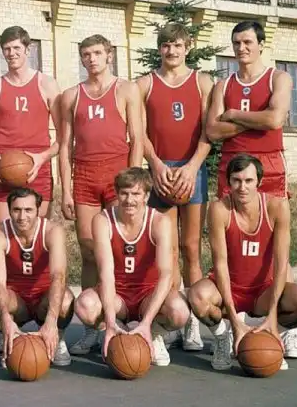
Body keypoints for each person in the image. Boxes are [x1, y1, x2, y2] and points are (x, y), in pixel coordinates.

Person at [205, 20, 297, 359]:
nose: (241, 48)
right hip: (232, 167)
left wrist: (233, 115)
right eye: (236, 42)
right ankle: (236, 319)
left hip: (270, 164)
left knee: (276, 243)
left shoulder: (279, 78)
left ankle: (285, 328)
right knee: (231, 239)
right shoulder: (223, 85)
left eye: (247, 42)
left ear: (261, 44)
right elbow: (212, 131)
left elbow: (275, 120)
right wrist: (254, 119)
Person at [187, 154, 297, 371]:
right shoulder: (220, 209)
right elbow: (220, 265)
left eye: (248, 181)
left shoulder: (277, 207)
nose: (242, 187)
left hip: (263, 292)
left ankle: (273, 333)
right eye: (236, 180)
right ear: (228, 182)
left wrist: (272, 317)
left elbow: (281, 264)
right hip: (229, 289)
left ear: (259, 181)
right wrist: (234, 322)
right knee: (197, 296)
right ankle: (223, 338)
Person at [59, 34, 143, 354]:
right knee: (89, 250)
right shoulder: (72, 96)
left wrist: (133, 184)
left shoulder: (126, 89)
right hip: (84, 176)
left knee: (120, 249)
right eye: (86, 54)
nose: (91, 59)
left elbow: (137, 138)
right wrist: (65, 191)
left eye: (97, 53)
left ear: (109, 55)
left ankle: (124, 317)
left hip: (117, 176)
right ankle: (93, 326)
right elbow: (65, 147)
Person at [136, 23, 213, 351]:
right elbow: (140, 134)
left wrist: (193, 167)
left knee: (191, 247)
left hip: (193, 169)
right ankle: (171, 316)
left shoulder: (202, 82)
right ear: (160, 48)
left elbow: (209, 132)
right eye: (166, 45)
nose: (172, 51)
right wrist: (155, 165)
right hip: (162, 171)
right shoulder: (145, 84)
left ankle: (193, 321)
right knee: (166, 251)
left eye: (178, 45)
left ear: (188, 47)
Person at [74, 168, 189, 366]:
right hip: (118, 296)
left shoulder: (159, 221)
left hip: (147, 294)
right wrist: (110, 321)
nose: (129, 200)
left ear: (146, 196)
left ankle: (153, 333)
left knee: (179, 312)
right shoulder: (102, 220)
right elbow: (106, 273)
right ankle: (115, 330)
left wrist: (146, 322)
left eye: (136, 194)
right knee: (85, 305)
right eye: (124, 193)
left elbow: (166, 275)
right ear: (117, 194)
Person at [0, 187, 74, 366]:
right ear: (9, 210)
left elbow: (58, 276)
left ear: (38, 210)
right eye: (16, 210)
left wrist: (51, 320)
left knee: (66, 301)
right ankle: (12, 336)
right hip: (17, 301)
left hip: (44, 298)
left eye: (28, 210)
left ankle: (56, 335)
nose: (22, 216)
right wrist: (5, 319)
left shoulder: (52, 231)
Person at [0, 26, 62, 223]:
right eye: (7, 49)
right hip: (4, 167)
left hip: (37, 168)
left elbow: (63, 137)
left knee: (39, 234)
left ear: (28, 49)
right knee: (3, 232)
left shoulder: (47, 84)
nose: (12, 53)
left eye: (16, 48)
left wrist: (42, 157)